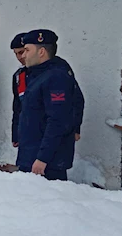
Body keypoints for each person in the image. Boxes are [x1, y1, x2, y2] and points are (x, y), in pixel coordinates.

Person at [15, 29, 83, 181]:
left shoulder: (56, 77)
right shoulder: (37, 75)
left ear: (41, 52)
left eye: (26, 50)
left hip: (45, 164)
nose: (23, 55)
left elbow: (58, 120)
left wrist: (42, 158)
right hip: (31, 156)